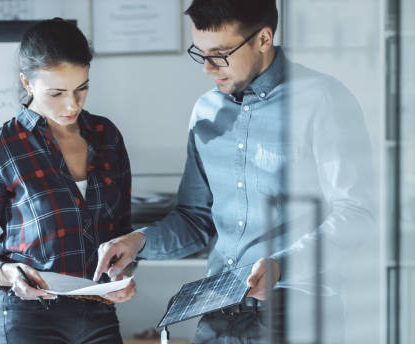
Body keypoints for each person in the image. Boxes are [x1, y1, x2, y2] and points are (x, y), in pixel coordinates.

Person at [93, 0, 374, 343]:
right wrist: (138, 242)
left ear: (264, 39)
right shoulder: (205, 111)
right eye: (201, 53)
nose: (208, 69)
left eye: (220, 54)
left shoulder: (322, 100)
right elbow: (195, 220)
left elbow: (357, 212)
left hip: (298, 309)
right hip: (218, 310)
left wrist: (282, 264)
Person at [0, 18, 135, 344]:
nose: (72, 104)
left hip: (99, 314)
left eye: (82, 89)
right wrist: (8, 273)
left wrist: (123, 274)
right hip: (29, 317)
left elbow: (122, 233)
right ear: (27, 83)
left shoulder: (107, 137)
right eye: (56, 93)